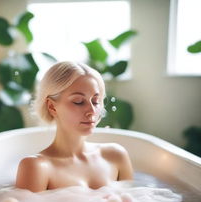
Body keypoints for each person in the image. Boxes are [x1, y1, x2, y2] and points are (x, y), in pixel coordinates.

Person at [16, 61, 133, 192]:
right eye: (79, 102)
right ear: (52, 107)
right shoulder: (36, 167)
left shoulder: (115, 156)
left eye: (95, 101)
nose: (92, 110)